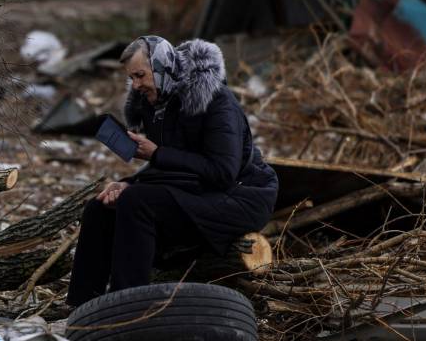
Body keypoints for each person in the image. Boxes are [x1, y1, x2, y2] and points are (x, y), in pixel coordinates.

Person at [66, 35, 278, 307]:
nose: (136, 85)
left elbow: (223, 171)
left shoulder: (216, 101)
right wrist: (127, 182)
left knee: (136, 202)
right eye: (131, 78)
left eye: (140, 75)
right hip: (200, 191)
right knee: (101, 207)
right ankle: (81, 306)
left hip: (240, 197)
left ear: (163, 66)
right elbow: (170, 167)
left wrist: (156, 154)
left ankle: (126, 307)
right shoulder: (158, 104)